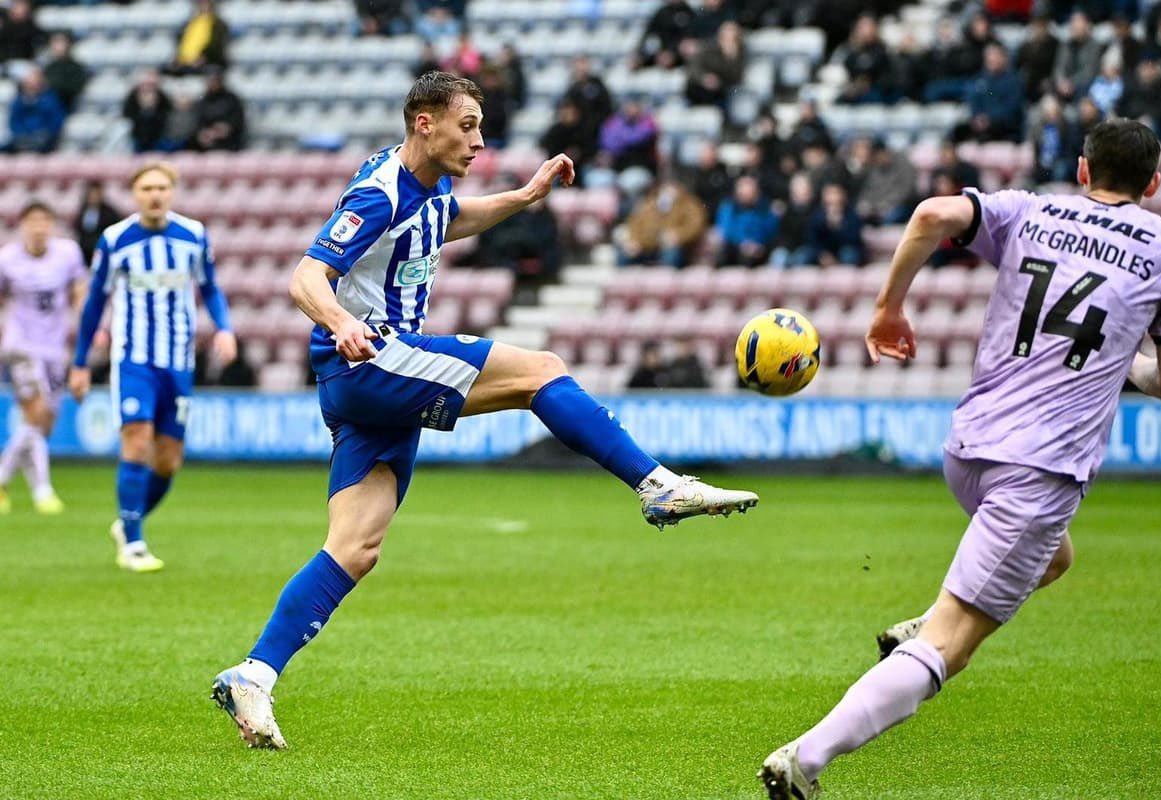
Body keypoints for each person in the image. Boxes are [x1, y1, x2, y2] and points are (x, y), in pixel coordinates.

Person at [208, 72, 758, 749]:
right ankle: (657, 485)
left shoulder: (430, 185)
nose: (479, 140)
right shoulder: (378, 193)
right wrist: (341, 321)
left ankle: (254, 674)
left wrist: (523, 198)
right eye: (467, 125)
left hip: (368, 381)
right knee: (541, 372)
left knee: (355, 548)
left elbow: (451, 220)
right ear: (425, 123)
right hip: (373, 358)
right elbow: (305, 277)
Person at [759, 118, 1161, 799]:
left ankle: (922, 622)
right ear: (1155, 184)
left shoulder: (1033, 210)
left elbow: (931, 214)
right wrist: (1121, 360)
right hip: (1040, 470)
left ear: (1083, 171)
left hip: (968, 448)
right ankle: (803, 761)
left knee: (1056, 558)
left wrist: (887, 309)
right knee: (950, 647)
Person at [69, 162, 237, 574]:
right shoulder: (115, 239)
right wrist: (80, 362)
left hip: (178, 362)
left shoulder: (193, 235)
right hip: (134, 359)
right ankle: (134, 544)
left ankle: (127, 523)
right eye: (146, 188)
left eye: (162, 187)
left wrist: (224, 328)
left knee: (167, 461)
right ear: (135, 194)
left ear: (172, 191)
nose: (155, 194)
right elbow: (95, 302)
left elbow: (210, 287)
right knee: (136, 440)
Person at [0, 202, 88, 515]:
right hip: (21, 346)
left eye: (44, 221)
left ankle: (4, 480)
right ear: (22, 225)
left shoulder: (68, 254)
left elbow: (80, 291)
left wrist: (87, 327)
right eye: (33, 221)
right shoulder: (7, 259)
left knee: (43, 424)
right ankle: (42, 491)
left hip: (54, 348)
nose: (39, 228)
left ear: (52, 226)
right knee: (36, 415)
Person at [74, 180, 123, 263]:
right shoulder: (83, 209)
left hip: (101, 248)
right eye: (91, 194)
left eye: (96, 194)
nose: (93, 197)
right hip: (84, 248)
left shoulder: (109, 212)